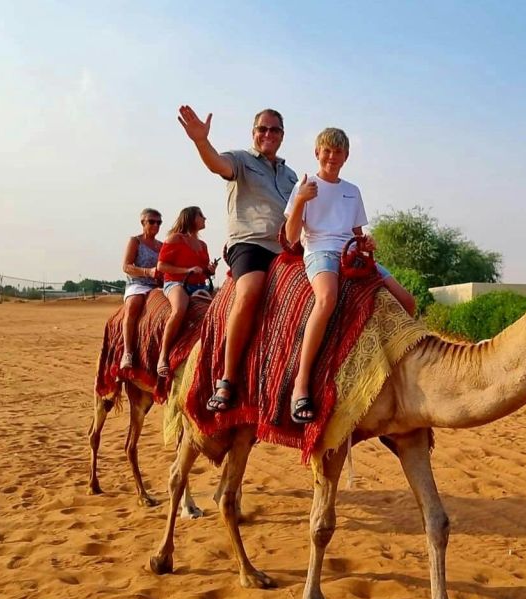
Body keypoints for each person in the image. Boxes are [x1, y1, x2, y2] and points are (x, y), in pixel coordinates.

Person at [283, 127, 415, 423]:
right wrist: (301, 200)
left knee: (407, 300)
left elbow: (357, 234)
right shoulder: (305, 185)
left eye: (338, 151)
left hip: (351, 252)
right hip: (319, 250)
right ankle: (301, 384)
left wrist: (367, 244)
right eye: (326, 151)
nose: (332, 156)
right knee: (327, 299)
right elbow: (292, 237)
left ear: (346, 156)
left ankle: (390, 367)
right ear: (317, 153)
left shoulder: (352, 190)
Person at [177, 105, 297, 411]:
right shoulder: (241, 161)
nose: (267, 134)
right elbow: (217, 164)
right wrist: (201, 142)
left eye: (274, 129)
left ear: (282, 135)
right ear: (254, 133)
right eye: (262, 129)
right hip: (250, 244)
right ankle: (227, 378)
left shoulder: (291, 175)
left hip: (285, 249)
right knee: (251, 290)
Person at [155, 206, 216, 377]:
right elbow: (161, 266)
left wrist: (209, 270)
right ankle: (163, 355)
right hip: (176, 283)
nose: (205, 218)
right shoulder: (175, 239)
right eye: (201, 215)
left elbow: (203, 270)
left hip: (199, 286)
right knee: (179, 309)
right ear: (191, 218)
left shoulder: (202, 245)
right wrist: (187, 270)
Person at [120, 208, 164, 371]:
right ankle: (127, 352)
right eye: (152, 221)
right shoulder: (135, 241)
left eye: (159, 222)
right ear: (142, 223)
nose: (156, 225)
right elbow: (126, 266)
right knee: (133, 306)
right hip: (137, 284)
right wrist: (148, 272)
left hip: (156, 285)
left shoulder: (162, 245)